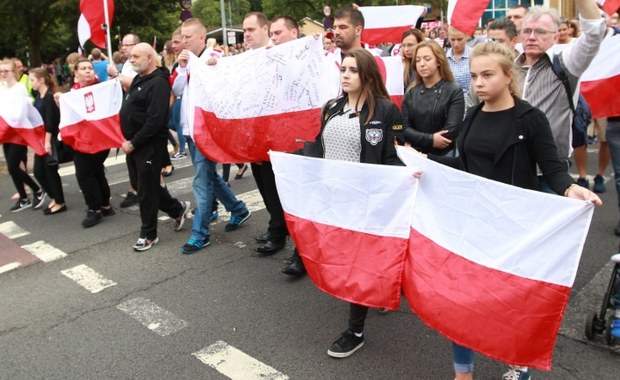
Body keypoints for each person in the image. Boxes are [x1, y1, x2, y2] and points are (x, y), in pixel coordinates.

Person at [421, 41, 601, 380]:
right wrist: (425, 164)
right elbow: (462, 163)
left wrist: (569, 187)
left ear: (508, 75)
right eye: (474, 76)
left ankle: (519, 366)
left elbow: (552, 168)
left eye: (487, 75)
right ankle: (463, 373)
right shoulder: (472, 115)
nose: (478, 83)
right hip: (472, 224)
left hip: (515, 227)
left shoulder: (530, 118)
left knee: (512, 306)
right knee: (462, 301)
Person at [303, 48, 404, 359]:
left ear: (367, 75)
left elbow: (392, 159)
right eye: (343, 69)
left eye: (352, 70)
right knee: (349, 258)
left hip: (367, 200)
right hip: (334, 200)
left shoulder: (386, 112)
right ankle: (382, 288)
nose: (345, 75)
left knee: (358, 264)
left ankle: (355, 331)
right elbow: (320, 149)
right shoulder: (331, 108)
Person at [173, 18, 251, 255]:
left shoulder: (214, 57)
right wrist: (182, 67)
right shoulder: (187, 62)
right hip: (190, 129)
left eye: (187, 37)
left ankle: (200, 234)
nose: (183, 41)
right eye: (181, 37)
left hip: (208, 130)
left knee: (201, 181)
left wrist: (210, 64)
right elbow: (176, 90)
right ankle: (238, 209)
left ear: (200, 37)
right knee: (209, 177)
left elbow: (225, 80)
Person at [119, 43, 191, 251]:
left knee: (146, 191)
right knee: (143, 185)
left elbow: (156, 119)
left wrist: (134, 142)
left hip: (148, 144)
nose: (131, 59)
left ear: (150, 58)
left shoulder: (158, 83)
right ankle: (177, 209)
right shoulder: (138, 79)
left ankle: (148, 234)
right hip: (135, 144)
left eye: (136, 56)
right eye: (130, 56)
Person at [65, 59, 115, 227]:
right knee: (96, 171)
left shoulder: (101, 88)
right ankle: (104, 205)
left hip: (99, 139)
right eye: (83, 68)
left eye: (89, 68)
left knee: (84, 174)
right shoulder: (73, 92)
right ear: (76, 73)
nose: (87, 71)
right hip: (82, 140)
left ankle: (94, 209)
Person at [401, 41, 464, 156]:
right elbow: (403, 127)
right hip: (415, 154)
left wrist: (420, 139)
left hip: (443, 156)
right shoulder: (411, 92)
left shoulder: (453, 91)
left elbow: (451, 131)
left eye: (427, 59)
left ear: (439, 61)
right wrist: (430, 139)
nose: (422, 64)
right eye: (418, 60)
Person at [1, 58, 44, 212]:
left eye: (6, 71)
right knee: (12, 167)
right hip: (6, 133)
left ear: (15, 72)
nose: (3, 74)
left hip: (19, 132)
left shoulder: (19, 89)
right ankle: (23, 198)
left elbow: (18, 115)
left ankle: (37, 190)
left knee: (13, 167)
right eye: (1, 71)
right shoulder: (2, 88)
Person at [108, 33, 141, 208]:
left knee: (143, 159)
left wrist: (117, 76)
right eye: (123, 45)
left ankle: (159, 196)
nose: (123, 48)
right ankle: (134, 189)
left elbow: (137, 84)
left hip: (139, 117)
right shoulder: (128, 64)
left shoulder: (139, 63)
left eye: (128, 45)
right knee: (132, 157)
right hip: (128, 115)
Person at [29, 67, 66, 215]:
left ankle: (60, 201)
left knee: (50, 171)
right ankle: (54, 197)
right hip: (41, 139)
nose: (30, 83)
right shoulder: (39, 97)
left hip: (48, 139)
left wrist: (47, 142)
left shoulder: (49, 97)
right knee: (39, 172)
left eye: (32, 80)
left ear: (41, 80)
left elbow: (51, 122)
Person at [446, 27, 472, 97]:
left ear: (467, 37)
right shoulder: (444, 58)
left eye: (459, 39)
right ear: (448, 38)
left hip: (472, 101)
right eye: (452, 40)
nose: (456, 44)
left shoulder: (475, 55)